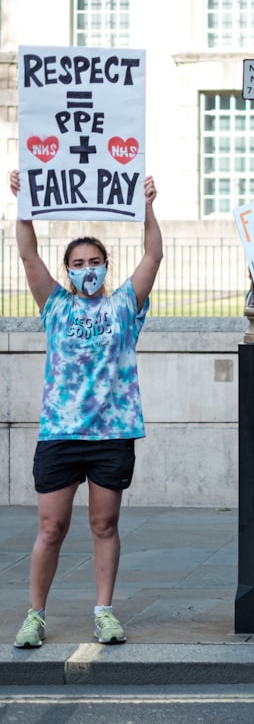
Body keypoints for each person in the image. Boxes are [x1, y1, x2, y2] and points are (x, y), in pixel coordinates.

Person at [9, 169, 163, 649]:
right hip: (60, 433)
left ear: (106, 266)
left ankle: (104, 612)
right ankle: (35, 615)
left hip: (111, 435)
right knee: (51, 527)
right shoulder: (55, 304)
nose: (88, 268)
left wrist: (147, 206)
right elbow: (28, 254)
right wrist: (24, 203)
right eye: (79, 262)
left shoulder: (122, 306)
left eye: (96, 261)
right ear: (69, 269)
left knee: (104, 524)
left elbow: (154, 254)